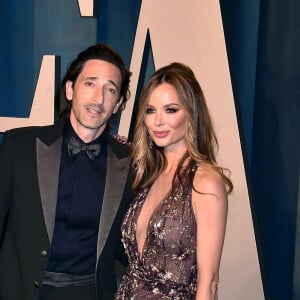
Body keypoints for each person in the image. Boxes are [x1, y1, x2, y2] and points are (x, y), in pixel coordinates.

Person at [0, 43, 133, 300]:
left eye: (110, 89)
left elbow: (131, 249)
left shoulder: (130, 164)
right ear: (70, 89)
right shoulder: (20, 146)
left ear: (117, 104)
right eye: (90, 84)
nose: (98, 98)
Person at [115, 62, 233, 300]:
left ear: (191, 113)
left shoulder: (205, 182)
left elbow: (208, 283)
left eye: (170, 110)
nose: (158, 121)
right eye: (150, 111)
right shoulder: (147, 176)